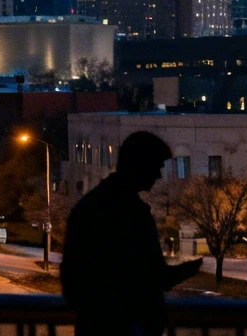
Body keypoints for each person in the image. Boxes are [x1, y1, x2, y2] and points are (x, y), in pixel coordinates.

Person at [61, 131, 201, 336]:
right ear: (139, 165)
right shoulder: (130, 214)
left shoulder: (92, 206)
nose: (158, 175)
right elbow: (148, 276)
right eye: (156, 167)